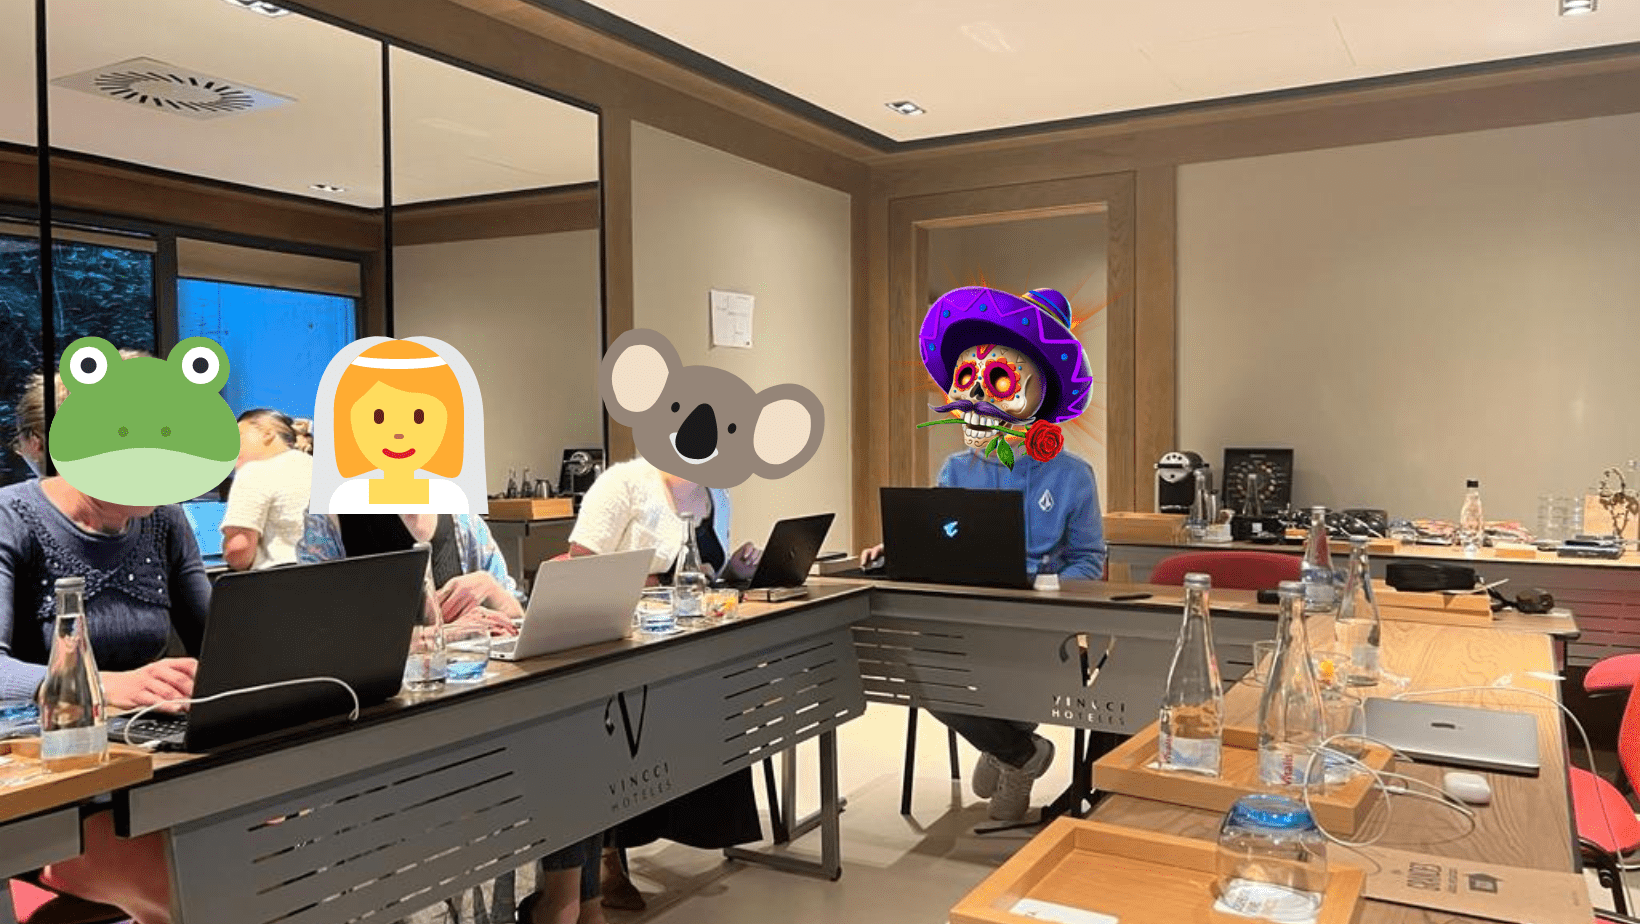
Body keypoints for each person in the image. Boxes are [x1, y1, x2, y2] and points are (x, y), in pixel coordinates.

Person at [861, 286, 1107, 823]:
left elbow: (1090, 559)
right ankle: (1020, 753)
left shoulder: (1074, 476)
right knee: (913, 669)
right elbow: (941, 537)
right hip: (969, 617)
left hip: (1041, 623)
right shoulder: (957, 468)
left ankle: (1004, 746)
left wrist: (1049, 590)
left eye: (999, 380)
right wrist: (899, 547)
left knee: (1009, 672)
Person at [299, 510, 601, 923]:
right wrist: (433, 636)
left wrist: (493, 589)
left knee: (574, 737)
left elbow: (519, 622)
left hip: (475, 731)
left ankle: (563, 905)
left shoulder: (461, 520)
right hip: (384, 746)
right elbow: (319, 641)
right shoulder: (332, 520)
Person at [1, 366, 212, 924]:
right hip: (54, 798)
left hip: (154, 768)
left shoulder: (165, 521)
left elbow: (221, 639)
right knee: (211, 883)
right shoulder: (12, 517)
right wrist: (103, 686)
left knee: (275, 850)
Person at [553, 456, 761, 912]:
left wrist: (736, 571)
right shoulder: (624, 483)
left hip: (692, 646)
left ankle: (682, 826)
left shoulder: (718, 493)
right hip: (625, 651)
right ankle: (606, 857)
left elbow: (706, 578)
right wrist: (645, 581)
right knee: (634, 730)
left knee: (719, 701)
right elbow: (578, 569)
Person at [326, 339, 471, 513]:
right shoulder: (343, 500)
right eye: (379, 418)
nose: (399, 434)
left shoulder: (452, 500)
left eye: (418, 418)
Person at [222, 409, 314, 570]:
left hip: (280, 579)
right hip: (338, 577)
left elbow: (238, 550)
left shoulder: (254, 471)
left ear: (268, 434)